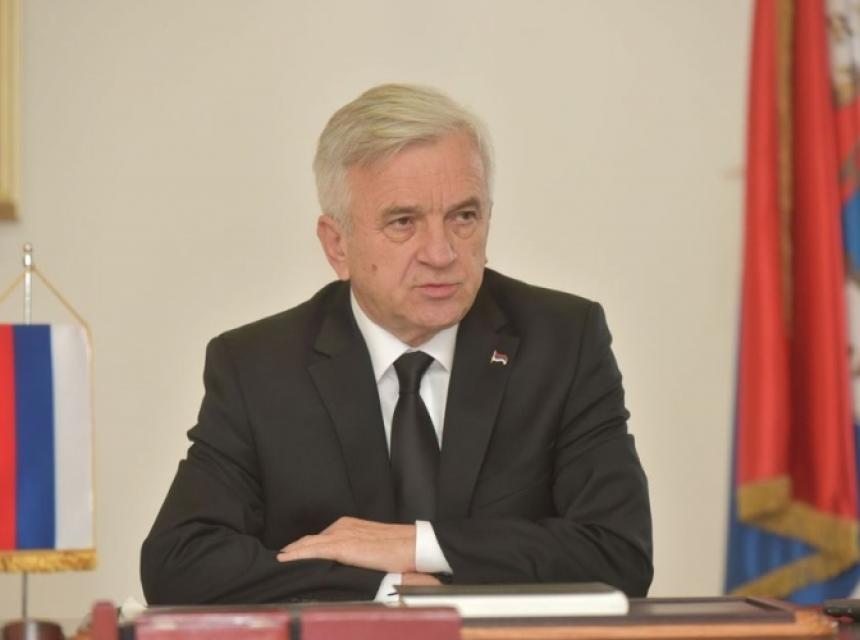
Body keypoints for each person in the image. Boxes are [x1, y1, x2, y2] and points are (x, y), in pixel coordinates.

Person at [140, 84, 653, 604]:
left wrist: (418, 545)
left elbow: (619, 554)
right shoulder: (259, 367)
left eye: (464, 216)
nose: (441, 253)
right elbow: (179, 563)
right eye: (404, 222)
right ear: (337, 245)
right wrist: (387, 588)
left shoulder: (562, 341)